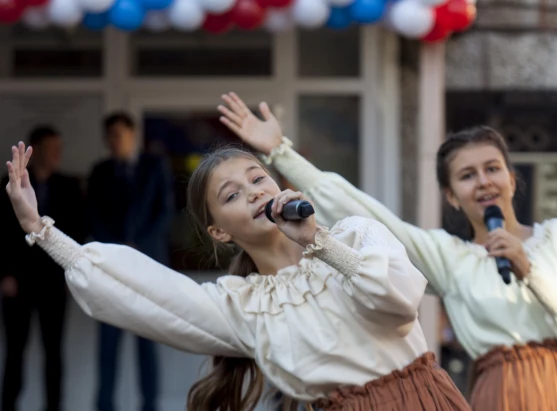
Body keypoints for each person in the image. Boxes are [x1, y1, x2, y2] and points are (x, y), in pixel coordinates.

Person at [217, 92, 557, 410]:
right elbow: (367, 213)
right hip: (503, 393)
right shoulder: (447, 256)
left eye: (493, 168)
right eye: (467, 175)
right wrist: (281, 153)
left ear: (512, 179)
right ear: (452, 196)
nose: (483, 182)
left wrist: (529, 269)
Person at [4, 141, 471, 411]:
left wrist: (317, 242)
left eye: (258, 179)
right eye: (231, 195)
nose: (252, 193)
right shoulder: (241, 305)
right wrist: (41, 231)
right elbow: (147, 293)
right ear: (218, 231)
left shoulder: (353, 234)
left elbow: (398, 300)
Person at [87, 112, 174, 411]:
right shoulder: (99, 171)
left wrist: (136, 247)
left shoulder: (155, 166)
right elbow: (93, 216)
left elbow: (165, 212)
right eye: (110, 135)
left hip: (146, 270)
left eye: (119, 134)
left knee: (147, 348)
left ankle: (150, 406)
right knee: (107, 349)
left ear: (132, 134)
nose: (114, 141)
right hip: (110, 273)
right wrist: (115, 249)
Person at [0, 126, 85, 411]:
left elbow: (76, 231)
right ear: (35, 150)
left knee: (53, 352)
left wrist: (69, 274)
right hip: (18, 281)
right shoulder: (9, 186)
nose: (57, 154)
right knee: (14, 351)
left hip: (53, 281)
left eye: (59, 147)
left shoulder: (69, 186)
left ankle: (54, 407)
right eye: (51, 148)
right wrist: (5, 274)